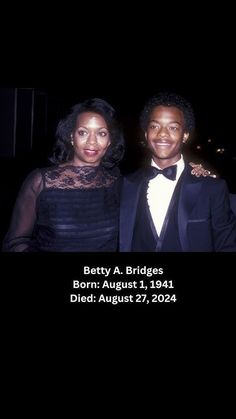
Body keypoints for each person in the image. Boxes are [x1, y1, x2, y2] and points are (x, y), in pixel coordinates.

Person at [2, 98, 125, 252]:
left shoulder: (118, 183)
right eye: (83, 132)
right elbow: (15, 241)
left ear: (109, 141)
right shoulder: (40, 181)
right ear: (72, 137)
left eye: (101, 133)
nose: (92, 142)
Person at [119, 92, 236, 252]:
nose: (162, 134)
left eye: (173, 127)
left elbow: (227, 245)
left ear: (185, 135)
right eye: (154, 126)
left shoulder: (212, 188)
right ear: (146, 134)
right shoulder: (125, 185)